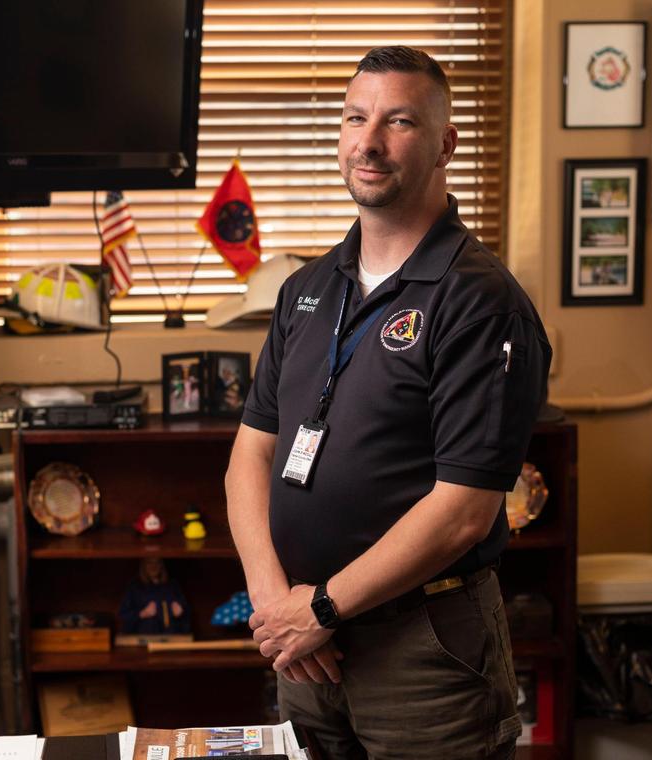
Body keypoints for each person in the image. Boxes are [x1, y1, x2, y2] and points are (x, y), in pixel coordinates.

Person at [224, 46, 551, 759]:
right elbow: (251, 452)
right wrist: (277, 605)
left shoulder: (482, 302)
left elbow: (464, 508)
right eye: (355, 118)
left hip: (422, 653)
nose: (368, 142)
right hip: (306, 645)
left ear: (445, 144)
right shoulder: (306, 290)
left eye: (399, 121)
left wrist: (321, 607)